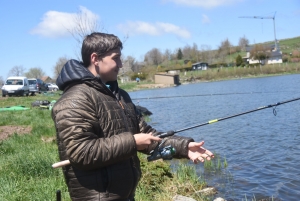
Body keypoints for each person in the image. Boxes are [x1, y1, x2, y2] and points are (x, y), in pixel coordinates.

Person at [51, 32, 214, 201]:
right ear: (95, 58)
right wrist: (133, 142)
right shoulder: (74, 99)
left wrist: (184, 147)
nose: (121, 64)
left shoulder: (120, 95)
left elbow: (148, 135)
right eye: (116, 58)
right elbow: (81, 152)